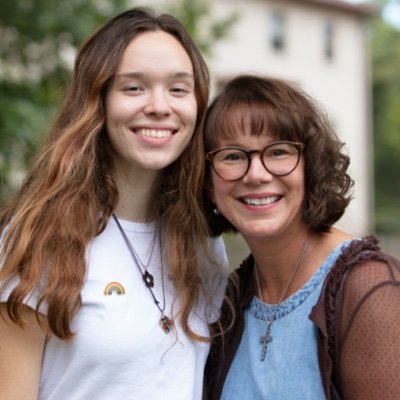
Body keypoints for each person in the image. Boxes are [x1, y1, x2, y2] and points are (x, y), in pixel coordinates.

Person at [0, 7, 227, 400]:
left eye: (178, 88)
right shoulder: (37, 238)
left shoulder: (202, 244)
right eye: (134, 87)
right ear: (97, 102)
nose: (159, 106)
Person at [203, 75, 400, 399]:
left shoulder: (368, 288)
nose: (256, 174)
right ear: (209, 184)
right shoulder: (229, 301)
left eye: (279, 152)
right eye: (233, 156)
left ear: (310, 166)